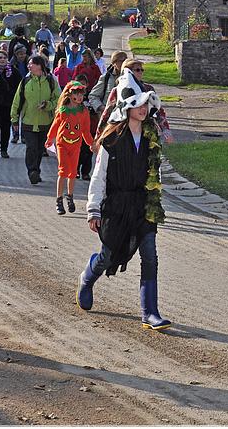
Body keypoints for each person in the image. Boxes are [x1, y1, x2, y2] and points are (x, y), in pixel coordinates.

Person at [75, 70, 171, 331]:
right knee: (108, 256)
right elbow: (99, 176)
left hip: (143, 205)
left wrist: (155, 199)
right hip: (116, 206)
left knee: (150, 256)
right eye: (137, 104)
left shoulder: (151, 137)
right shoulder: (111, 139)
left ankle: (150, 312)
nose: (143, 108)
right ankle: (87, 277)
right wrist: (93, 209)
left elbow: (156, 171)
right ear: (127, 106)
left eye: (145, 104)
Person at [45, 81, 94, 215]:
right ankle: (59, 199)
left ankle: (70, 197)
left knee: (73, 172)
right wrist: (50, 138)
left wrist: (91, 144)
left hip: (75, 145)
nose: (79, 97)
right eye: (76, 94)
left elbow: (85, 130)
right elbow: (55, 126)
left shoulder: (84, 112)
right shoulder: (63, 111)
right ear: (70, 94)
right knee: (63, 171)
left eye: (81, 95)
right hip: (62, 143)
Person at [10, 55, 59, 185]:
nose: (29, 66)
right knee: (31, 147)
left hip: (45, 122)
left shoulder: (51, 81)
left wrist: (48, 105)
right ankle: (32, 171)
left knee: (39, 149)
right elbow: (17, 101)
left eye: (31, 64)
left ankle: (36, 170)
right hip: (28, 121)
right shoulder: (25, 81)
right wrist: (14, 119)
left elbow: (59, 100)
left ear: (40, 65)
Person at [97, 59, 173, 143]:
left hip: (146, 131)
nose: (140, 72)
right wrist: (98, 137)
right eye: (137, 70)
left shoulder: (148, 89)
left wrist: (166, 130)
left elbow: (158, 111)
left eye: (142, 70)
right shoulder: (118, 90)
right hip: (124, 131)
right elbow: (107, 114)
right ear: (128, 71)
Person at [0, 51, 18, 158]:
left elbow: (18, 86)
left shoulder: (13, 71)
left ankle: (4, 149)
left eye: (4, 57)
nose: (2, 59)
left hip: (7, 104)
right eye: (0, 57)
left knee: (5, 128)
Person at [88, 50, 127, 114]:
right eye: (121, 60)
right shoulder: (106, 77)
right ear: (114, 63)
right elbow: (93, 96)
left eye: (125, 60)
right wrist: (102, 108)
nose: (124, 63)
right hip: (109, 118)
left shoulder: (130, 77)